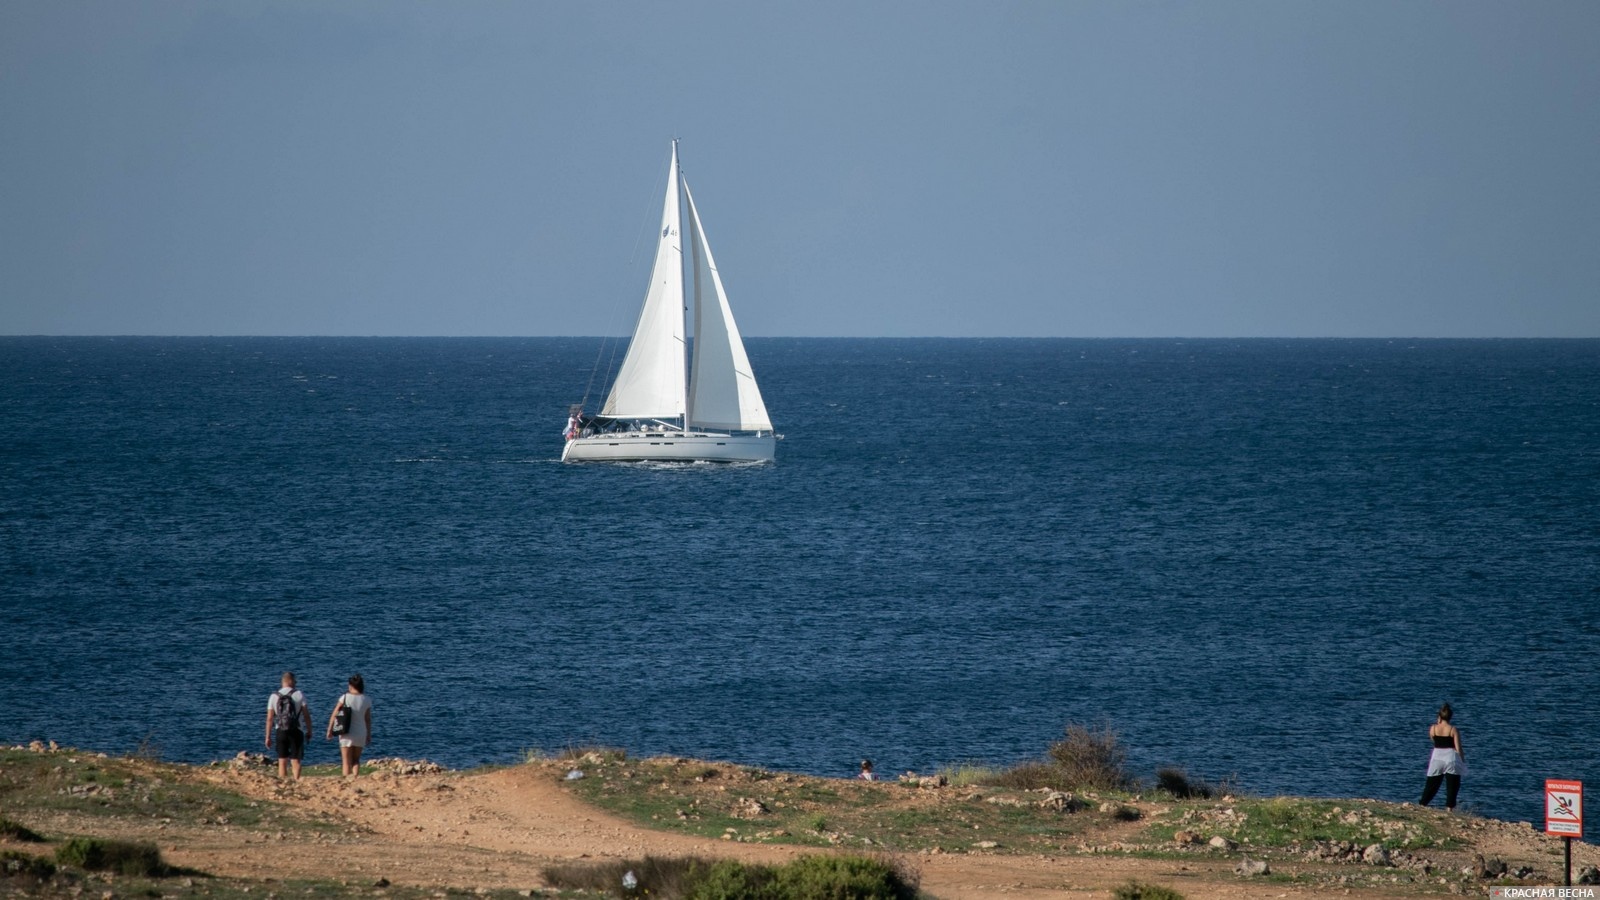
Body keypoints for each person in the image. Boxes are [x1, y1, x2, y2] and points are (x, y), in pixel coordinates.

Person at [1418, 703, 1465, 811]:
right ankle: (1449, 808)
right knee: (1452, 785)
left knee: (1432, 783)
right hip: (1450, 757)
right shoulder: (1453, 729)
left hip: (1437, 756)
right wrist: (1462, 761)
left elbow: (1434, 741)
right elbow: (1458, 748)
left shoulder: (1433, 728)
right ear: (1450, 717)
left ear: (1439, 716)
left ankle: (1423, 804)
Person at [265, 672, 312, 780]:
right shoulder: (299, 694)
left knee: (282, 761)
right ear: (290, 681)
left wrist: (268, 736)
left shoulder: (274, 696)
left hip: (280, 730)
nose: (296, 683)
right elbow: (306, 716)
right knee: (295, 760)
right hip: (296, 729)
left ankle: (283, 784)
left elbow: (269, 719)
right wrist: (309, 731)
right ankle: (296, 781)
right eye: (295, 681)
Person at [326, 673, 373, 778]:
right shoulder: (367, 700)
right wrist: (368, 735)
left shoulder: (345, 697)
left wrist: (329, 729)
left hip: (346, 732)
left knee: (346, 761)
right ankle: (355, 778)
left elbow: (335, 714)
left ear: (351, 686)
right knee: (356, 760)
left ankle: (347, 781)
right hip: (360, 732)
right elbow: (368, 719)